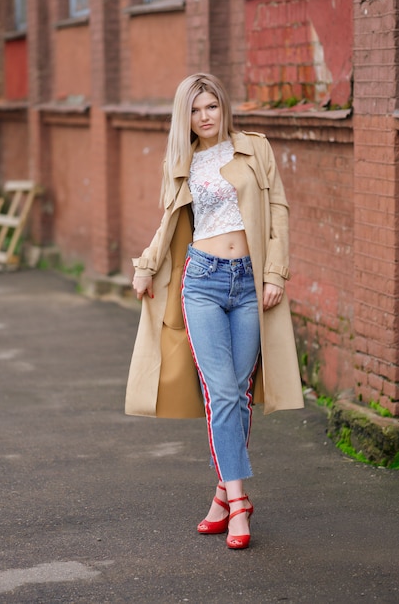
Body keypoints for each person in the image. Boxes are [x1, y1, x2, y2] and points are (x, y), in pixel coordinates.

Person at [125, 72, 304, 550]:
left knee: (239, 394)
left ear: (223, 108)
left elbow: (279, 210)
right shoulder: (183, 162)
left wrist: (274, 274)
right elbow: (168, 221)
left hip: (249, 281)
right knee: (221, 391)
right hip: (201, 281)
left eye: (211, 107)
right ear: (185, 118)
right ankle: (242, 502)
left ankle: (223, 492)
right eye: (195, 111)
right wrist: (146, 265)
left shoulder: (254, 149)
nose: (205, 117)